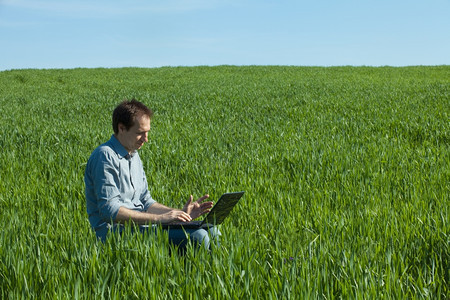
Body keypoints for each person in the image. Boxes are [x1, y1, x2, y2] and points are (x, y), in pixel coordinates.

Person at [84, 99, 219, 251]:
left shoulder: (133, 155)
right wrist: (160, 219)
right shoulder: (105, 156)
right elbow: (109, 210)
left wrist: (179, 215)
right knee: (198, 237)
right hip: (116, 234)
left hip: (142, 227)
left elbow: (146, 202)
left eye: (147, 133)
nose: (146, 139)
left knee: (213, 231)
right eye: (140, 133)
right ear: (121, 128)